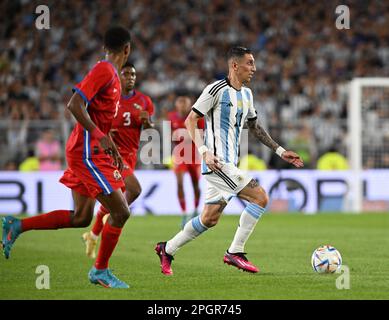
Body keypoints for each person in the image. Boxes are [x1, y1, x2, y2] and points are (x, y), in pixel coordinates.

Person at [2, 26, 132, 288]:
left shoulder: (112, 74)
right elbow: (74, 104)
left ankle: (16, 226)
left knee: (81, 218)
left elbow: (99, 120)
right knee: (121, 212)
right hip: (86, 153)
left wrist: (111, 145)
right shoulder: (104, 70)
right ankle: (100, 271)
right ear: (127, 49)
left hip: (91, 151)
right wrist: (98, 136)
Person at [155, 46, 303, 275]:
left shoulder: (247, 94)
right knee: (260, 197)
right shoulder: (215, 90)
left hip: (230, 163)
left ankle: (167, 249)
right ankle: (235, 251)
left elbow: (254, 126)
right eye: (249, 63)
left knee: (209, 219)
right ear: (235, 65)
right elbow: (190, 121)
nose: (254, 68)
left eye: (253, 63)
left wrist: (280, 151)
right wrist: (204, 151)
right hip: (216, 163)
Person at [82, 62, 154, 258]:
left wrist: (148, 124)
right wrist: (105, 133)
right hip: (112, 155)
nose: (130, 77)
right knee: (134, 190)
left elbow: (149, 132)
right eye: (126, 74)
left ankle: (93, 234)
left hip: (131, 156)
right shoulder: (110, 98)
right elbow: (95, 122)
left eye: (133, 74)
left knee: (120, 196)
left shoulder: (145, 101)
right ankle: (110, 220)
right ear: (119, 77)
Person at [167, 96, 205, 228]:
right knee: (179, 184)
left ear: (190, 106)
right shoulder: (171, 117)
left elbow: (201, 136)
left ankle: (195, 210)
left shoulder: (197, 118)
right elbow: (170, 135)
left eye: (185, 104)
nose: (183, 106)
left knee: (195, 184)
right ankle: (184, 213)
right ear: (176, 105)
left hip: (194, 155)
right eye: (180, 104)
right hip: (180, 155)